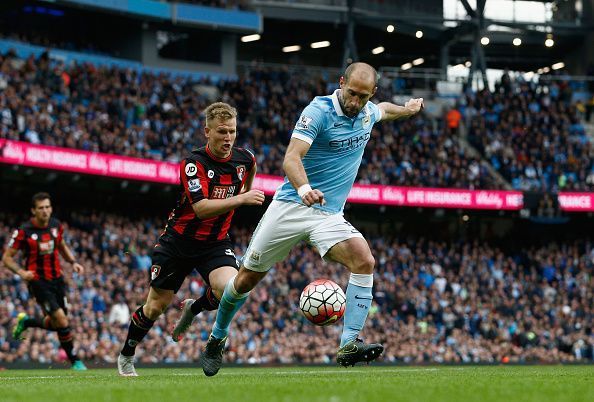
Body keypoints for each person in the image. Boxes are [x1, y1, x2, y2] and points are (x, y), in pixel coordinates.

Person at [189, 62, 424, 376]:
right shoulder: (318, 112)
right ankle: (217, 338)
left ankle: (349, 343)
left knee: (364, 260)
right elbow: (291, 157)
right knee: (244, 280)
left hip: (327, 213)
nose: (355, 102)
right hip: (291, 205)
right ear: (341, 83)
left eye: (363, 97)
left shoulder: (367, 112)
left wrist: (406, 110)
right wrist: (304, 188)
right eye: (351, 93)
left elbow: (383, 110)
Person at [117, 102, 264, 376]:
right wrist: (243, 198)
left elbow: (250, 174)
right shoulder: (193, 164)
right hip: (178, 243)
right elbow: (201, 208)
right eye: (222, 132)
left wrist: (245, 191)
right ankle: (127, 354)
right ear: (207, 131)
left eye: (232, 131)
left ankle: (194, 308)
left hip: (215, 244)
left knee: (232, 290)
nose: (228, 138)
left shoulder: (245, 160)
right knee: (155, 308)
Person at [2, 192, 87, 370]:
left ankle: (27, 322)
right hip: (38, 281)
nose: (45, 211)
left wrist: (73, 262)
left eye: (47, 207)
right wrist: (21, 272)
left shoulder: (56, 226)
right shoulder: (23, 232)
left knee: (58, 323)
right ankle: (75, 362)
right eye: (41, 208)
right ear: (33, 211)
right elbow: (7, 258)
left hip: (57, 279)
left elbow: (62, 246)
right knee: (62, 321)